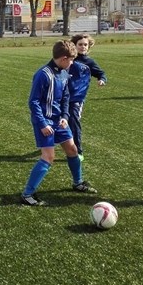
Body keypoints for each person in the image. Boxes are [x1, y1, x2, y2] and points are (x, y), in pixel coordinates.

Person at [21, 40, 96, 207]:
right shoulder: (43, 74)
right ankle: (27, 194)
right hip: (45, 122)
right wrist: (42, 124)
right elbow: (33, 102)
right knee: (48, 157)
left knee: (72, 149)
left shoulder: (64, 72)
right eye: (71, 60)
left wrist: (64, 116)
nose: (72, 63)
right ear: (63, 58)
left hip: (59, 121)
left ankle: (78, 182)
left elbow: (66, 97)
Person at [69, 33, 106, 163]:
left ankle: (78, 151)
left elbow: (100, 73)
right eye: (80, 44)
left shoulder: (89, 62)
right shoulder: (68, 59)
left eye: (85, 44)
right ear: (74, 45)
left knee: (74, 121)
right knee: (59, 120)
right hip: (62, 96)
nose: (83, 47)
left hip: (77, 98)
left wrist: (102, 79)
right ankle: (60, 140)